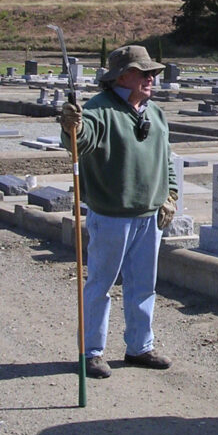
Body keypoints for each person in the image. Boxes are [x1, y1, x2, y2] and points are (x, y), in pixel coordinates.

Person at [60, 45, 178, 379]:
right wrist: (72, 126)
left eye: (152, 73)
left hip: (149, 216)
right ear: (122, 76)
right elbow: (79, 142)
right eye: (144, 73)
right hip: (112, 215)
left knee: (143, 286)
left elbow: (166, 158)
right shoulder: (99, 110)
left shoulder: (154, 112)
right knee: (100, 284)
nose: (151, 78)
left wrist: (170, 193)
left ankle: (140, 346)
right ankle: (92, 352)